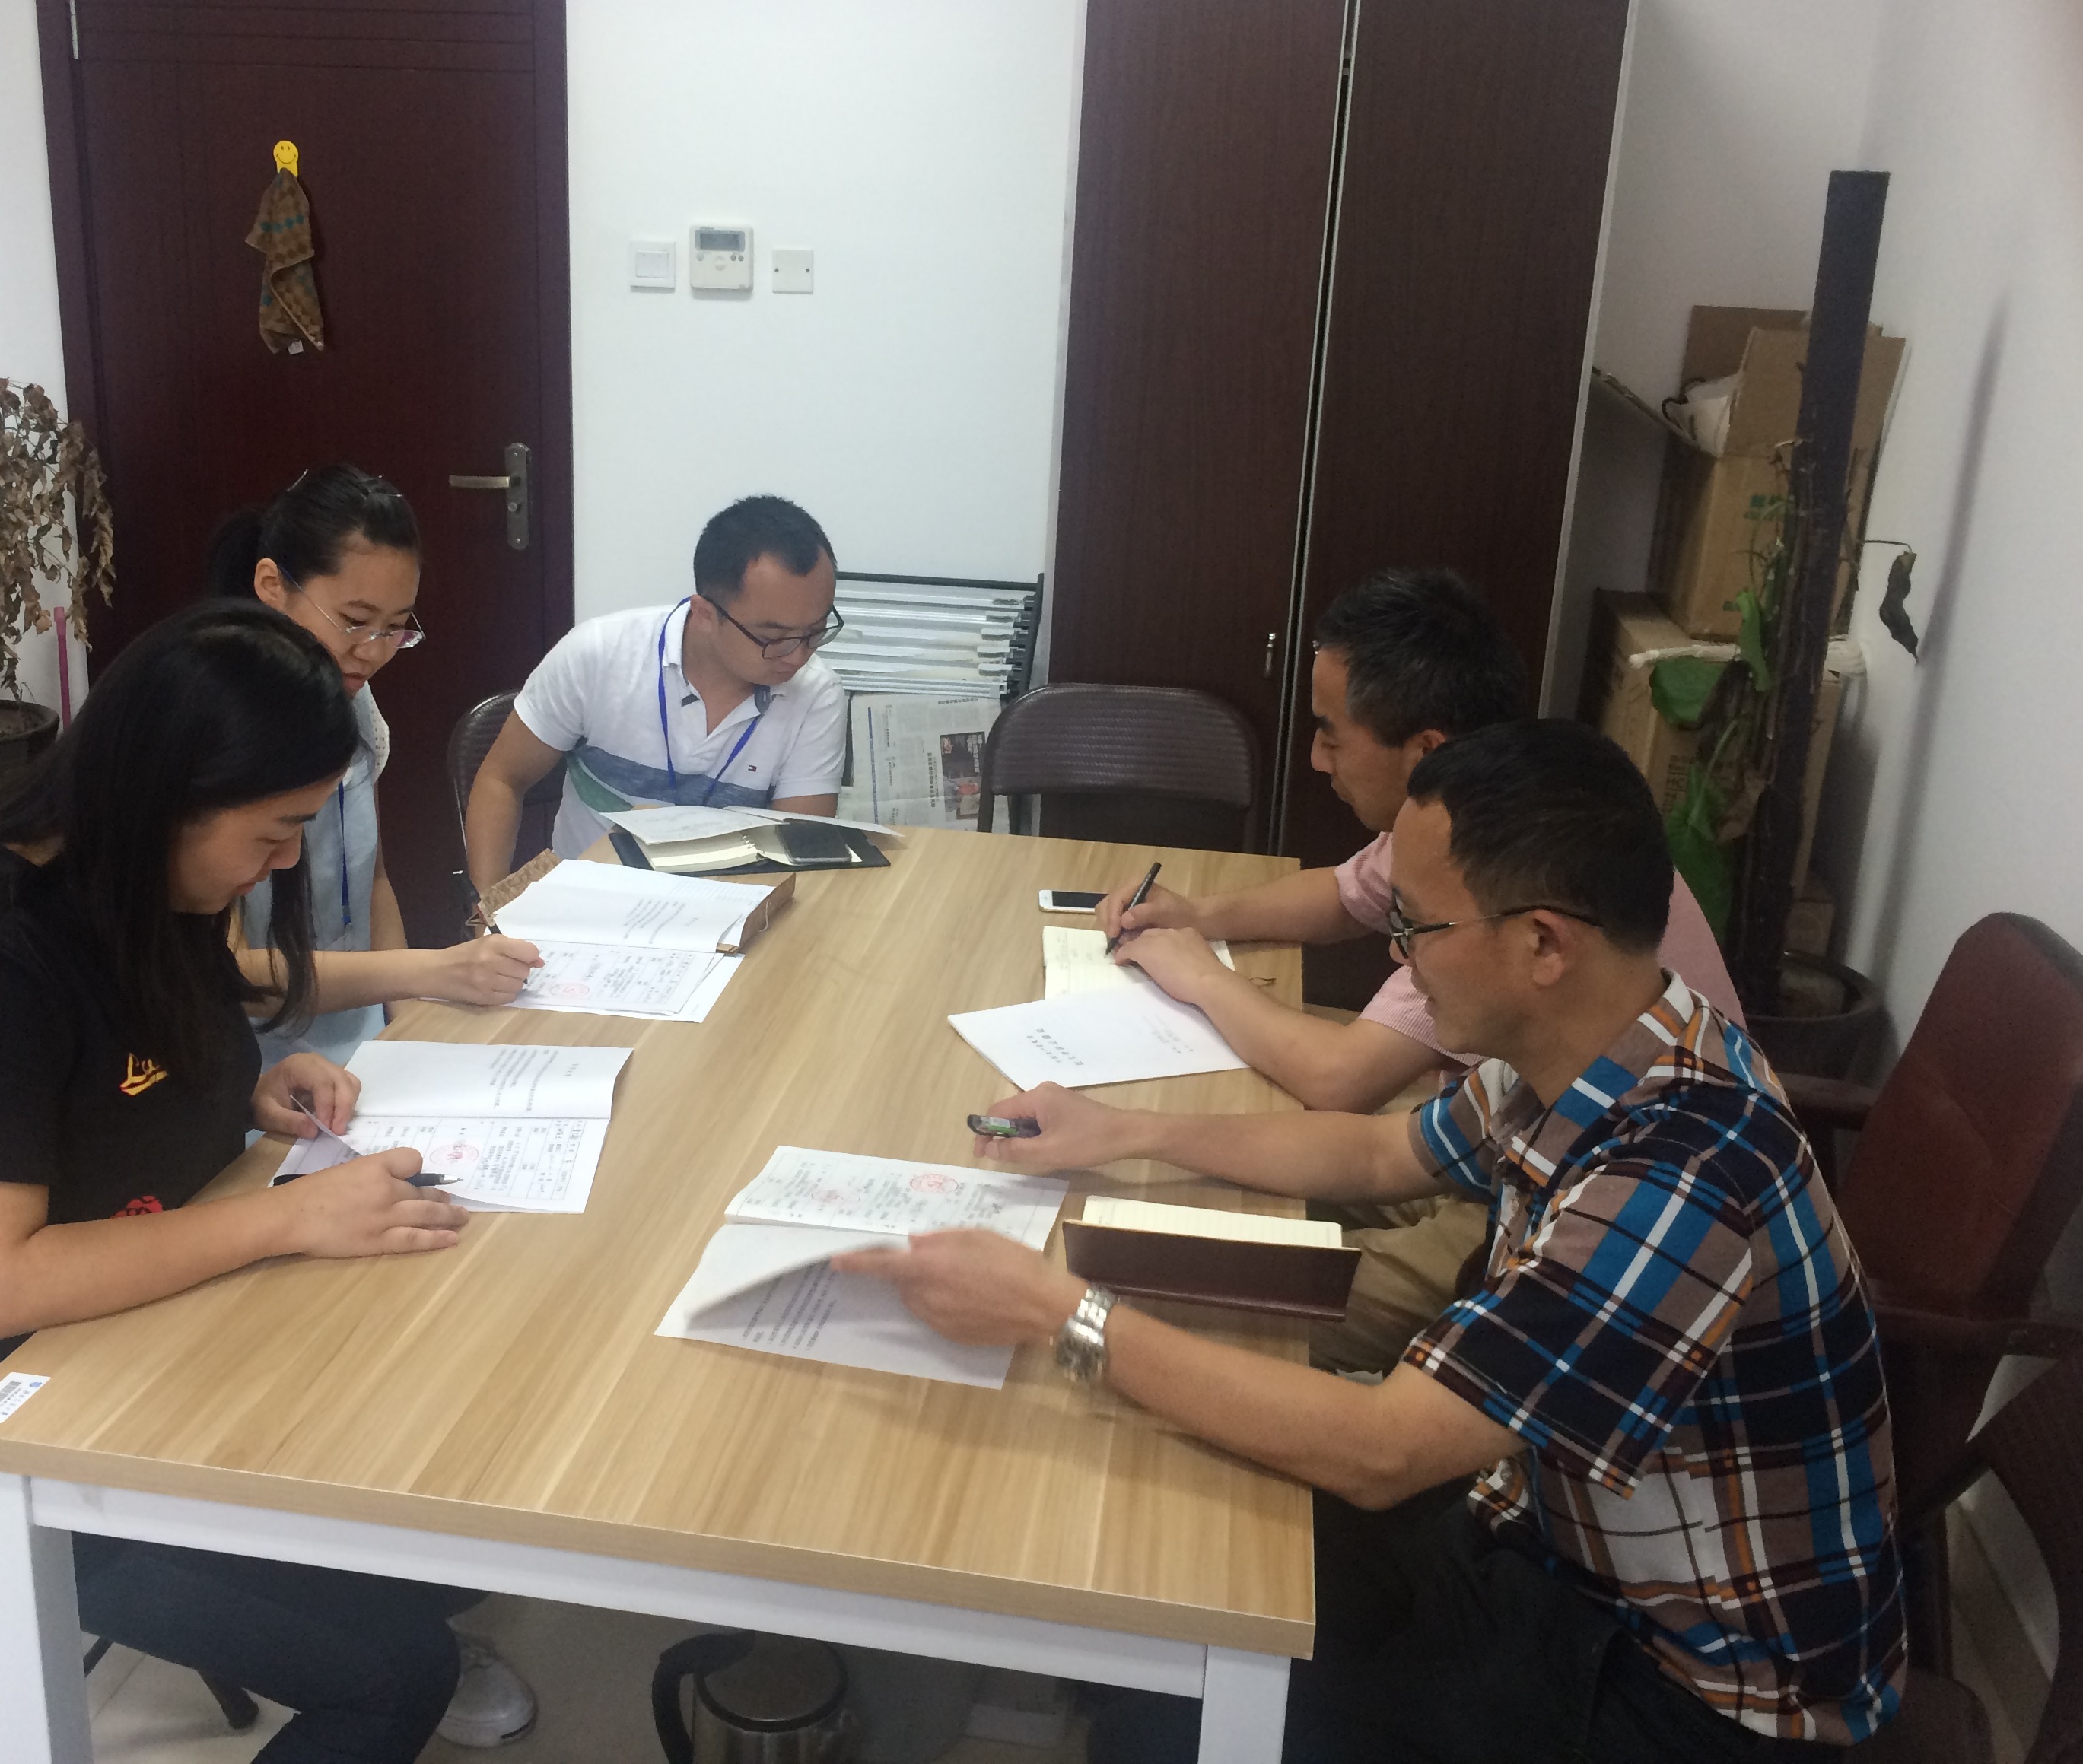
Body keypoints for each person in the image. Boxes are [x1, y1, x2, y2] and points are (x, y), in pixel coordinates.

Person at [843, 721, 1903, 1761]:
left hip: (1684, 1688)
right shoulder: (1602, 1039)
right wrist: (1124, 1130)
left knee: (1169, 1706)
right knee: (1169, 1562)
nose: (1397, 953)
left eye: (1418, 926)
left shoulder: (1680, 1176)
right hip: (1541, 1536)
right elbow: (1378, 1152)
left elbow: (1382, 1449)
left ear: (1543, 942)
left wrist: (1057, 1310)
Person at [0, 602, 534, 1756]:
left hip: (158, 1344)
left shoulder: (139, 882)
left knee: (462, 1507)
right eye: (275, 829)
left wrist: (244, 1088)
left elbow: (148, 1039)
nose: (288, 859)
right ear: (169, 795)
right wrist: (289, 1219)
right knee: (394, 1667)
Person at [1093, 567, 1743, 1371]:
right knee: (1199, 1210)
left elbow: (1339, 1082)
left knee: (1212, 1300)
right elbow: (1376, 1145)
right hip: (1500, 1158)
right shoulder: (1483, 839)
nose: (1316, 758)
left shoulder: (1498, 898)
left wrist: (1198, 977)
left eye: (1332, 733)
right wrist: (1131, 1129)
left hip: (1523, 1209)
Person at [211, 466, 541, 1066]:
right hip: (253, 1064)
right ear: (272, 584)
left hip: (363, 1039)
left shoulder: (354, 700)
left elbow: (373, 880)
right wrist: (427, 971)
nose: (372, 651)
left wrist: (406, 1022)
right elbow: (231, 972)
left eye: (394, 628)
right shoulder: (215, 727)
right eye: (354, 620)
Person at [463, 494, 847, 888]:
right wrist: (489, 907)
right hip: (587, 898)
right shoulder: (599, 655)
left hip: (732, 905)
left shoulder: (816, 694)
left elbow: (798, 855)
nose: (799, 656)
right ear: (705, 614)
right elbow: (501, 780)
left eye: (816, 631)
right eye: (774, 637)